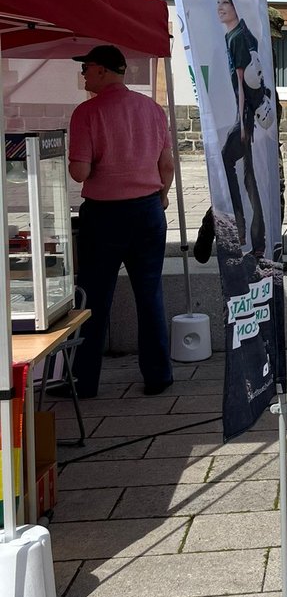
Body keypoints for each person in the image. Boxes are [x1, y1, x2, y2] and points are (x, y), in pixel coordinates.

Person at [64, 45, 174, 398]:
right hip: (147, 211)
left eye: (86, 67)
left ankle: (84, 380)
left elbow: (80, 172)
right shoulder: (152, 109)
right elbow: (167, 165)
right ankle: (158, 376)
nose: (82, 74)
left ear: (102, 71)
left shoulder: (87, 113)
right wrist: (161, 196)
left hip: (105, 214)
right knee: (150, 294)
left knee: (94, 298)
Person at [217, 0, 266, 258]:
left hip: (246, 114)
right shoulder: (240, 34)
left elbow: (242, 83)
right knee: (249, 176)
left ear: (236, 6)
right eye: (219, 2)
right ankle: (253, 237)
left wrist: (242, 123)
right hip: (249, 113)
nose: (220, 7)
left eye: (225, 2)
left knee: (232, 163)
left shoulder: (237, 37)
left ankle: (243, 230)